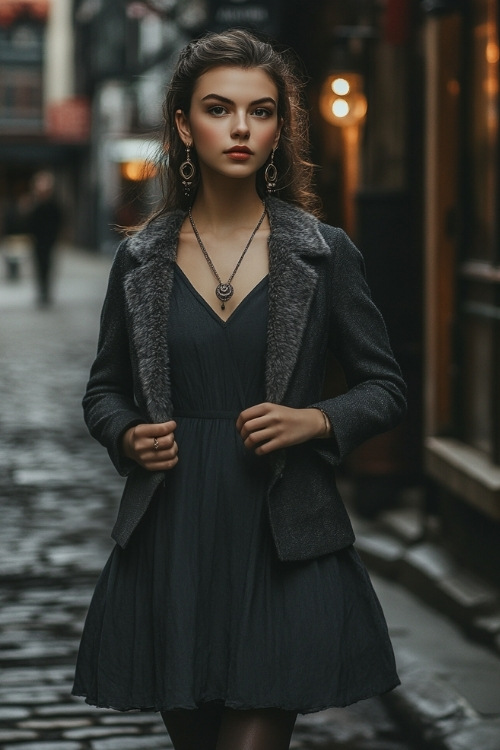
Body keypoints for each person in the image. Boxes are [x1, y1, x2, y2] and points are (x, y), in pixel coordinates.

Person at [72, 29, 407, 750]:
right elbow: (104, 391)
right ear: (184, 125)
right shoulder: (140, 260)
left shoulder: (324, 253)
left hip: (281, 536)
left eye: (260, 112)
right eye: (220, 109)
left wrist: (314, 421)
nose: (241, 128)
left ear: (280, 128)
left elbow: (385, 387)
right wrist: (126, 433)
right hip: (174, 537)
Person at [27, 170, 62, 306]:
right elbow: (30, 223)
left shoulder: (53, 205)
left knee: (47, 265)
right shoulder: (36, 205)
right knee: (39, 265)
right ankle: (42, 290)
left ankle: (46, 291)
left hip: (48, 240)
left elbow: (59, 220)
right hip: (38, 241)